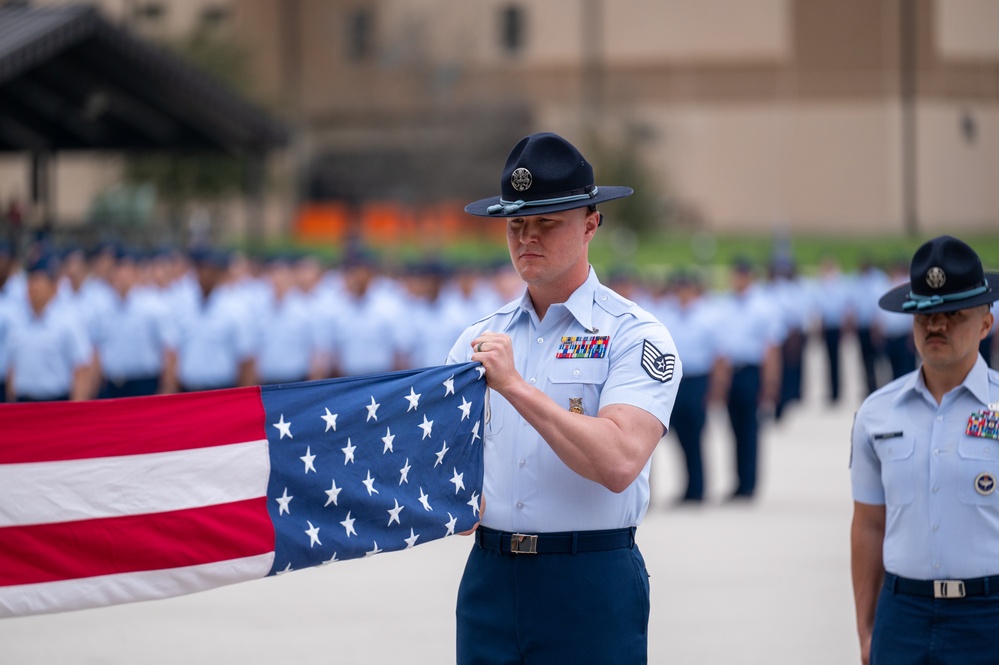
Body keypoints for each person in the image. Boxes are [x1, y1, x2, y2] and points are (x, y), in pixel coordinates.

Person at [446, 131, 681, 664]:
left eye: (546, 222)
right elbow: (441, 456)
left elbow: (619, 460)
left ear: (591, 223)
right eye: (516, 224)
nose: (527, 237)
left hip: (588, 576)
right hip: (491, 576)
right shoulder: (478, 338)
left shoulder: (635, 336)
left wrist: (515, 388)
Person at [850, 235, 999, 665]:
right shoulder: (877, 414)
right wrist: (866, 627)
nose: (937, 325)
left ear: (985, 325)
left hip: (987, 613)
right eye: (925, 315)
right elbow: (868, 525)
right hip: (904, 614)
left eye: (954, 314)